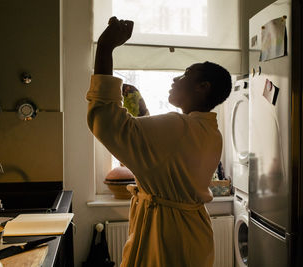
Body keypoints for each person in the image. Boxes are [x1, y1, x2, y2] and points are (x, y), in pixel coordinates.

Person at [86, 17, 232, 267]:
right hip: (192, 234)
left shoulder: (180, 126)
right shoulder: (209, 130)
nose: (176, 79)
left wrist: (105, 47)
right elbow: (166, 160)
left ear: (203, 87)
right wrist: (143, 118)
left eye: (186, 74)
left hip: (168, 239)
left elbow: (105, 120)